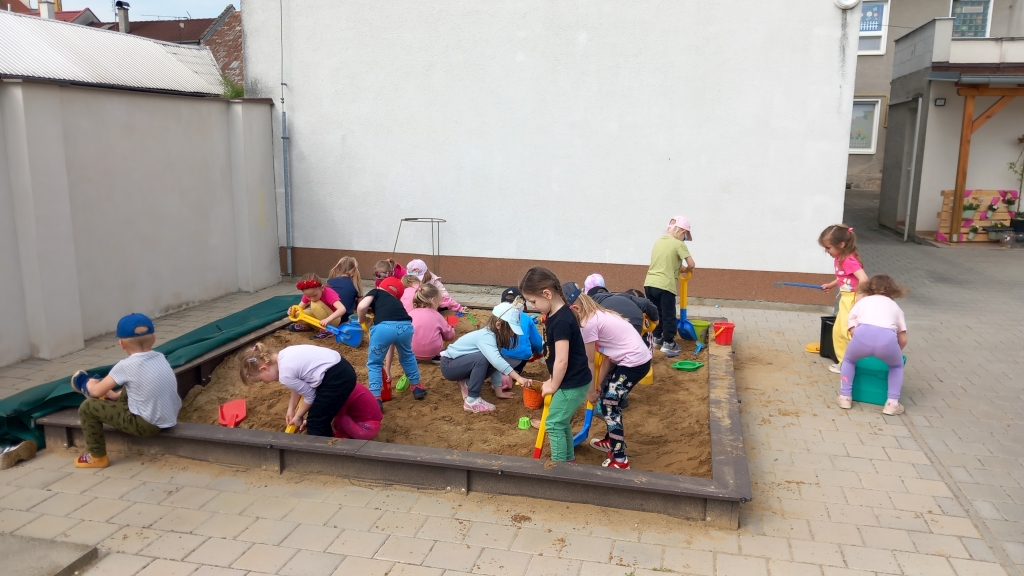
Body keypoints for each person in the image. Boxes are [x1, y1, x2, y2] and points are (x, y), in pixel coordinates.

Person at [69, 313, 181, 468]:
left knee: (87, 407)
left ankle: (97, 457)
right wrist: (114, 395)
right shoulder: (160, 357)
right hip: (169, 416)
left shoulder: (125, 366)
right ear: (154, 338)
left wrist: (90, 384)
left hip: (146, 424)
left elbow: (95, 392)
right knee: (135, 382)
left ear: (121, 344)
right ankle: (114, 398)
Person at [563, 284, 653, 470]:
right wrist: (597, 386)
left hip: (634, 363)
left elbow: (589, 362)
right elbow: (606, 358)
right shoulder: (599, 314)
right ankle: (611, 441)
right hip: (628, 360)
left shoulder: (588, 323)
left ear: (576, 309)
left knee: (610, 403)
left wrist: (590, 392)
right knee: (607, 399)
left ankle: (620, 460)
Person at [519, 267, 591, 463]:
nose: (533, 306)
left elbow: (562, 360)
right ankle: (569, 461)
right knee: (561, 422)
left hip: (572, 383)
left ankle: (559, 467)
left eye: (533, 301)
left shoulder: (562, 321)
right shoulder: (554, 315)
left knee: (553, 424)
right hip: (569, 380)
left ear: (547, 294)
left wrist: (553, 384)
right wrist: (551, 379)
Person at [238, 342, 358, 437]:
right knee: (320, 411)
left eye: (260, 380)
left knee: (315, 422)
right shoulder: (284, 354)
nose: (265, 383)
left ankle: (327, 451)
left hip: (336, 378)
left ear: (264, 368)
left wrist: (298, 416)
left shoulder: (285, 375)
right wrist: (291, 409)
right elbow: (297, 387)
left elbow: (310, 395)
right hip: (341, 367)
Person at [439, 302, 533, 411]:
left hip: (460, 364)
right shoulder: (486, 336)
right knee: (483, 358)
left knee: (491, 359)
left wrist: (499, 391)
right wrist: (518, 378)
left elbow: (496, 365)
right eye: (511, 329)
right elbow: (497, 361)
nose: (513, 334)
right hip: (449, 365)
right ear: (498, 325)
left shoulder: (495, 338)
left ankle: (467, 382)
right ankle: (472, 400)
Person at [837, 275, 908, 415]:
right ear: (893, 291)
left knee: (849, 361)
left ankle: (845, 397)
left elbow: (851, 328)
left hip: (862, 335)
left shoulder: (862, 302)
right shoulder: (896, 307)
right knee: (896, 366)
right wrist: (894, 351)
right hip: (887, 340)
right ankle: (892, 404)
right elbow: (903, 338)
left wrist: (861, 342)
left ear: (868, 289)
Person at [357, 277, 425, 403]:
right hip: (405, 326)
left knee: (375, 363)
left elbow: (362, 306)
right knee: (407, 355)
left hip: (383, 329)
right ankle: (416, 387)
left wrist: (361, 319)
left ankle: (376, 396)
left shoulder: (376, 292)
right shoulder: (396, 302)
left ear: (380, 286)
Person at [819, 225, 869, 374]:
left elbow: (864, 279)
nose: (826, 251)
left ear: (841, 244)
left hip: (852, 300)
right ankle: (844, 362)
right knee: (838, 332)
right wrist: (831, 284)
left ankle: (853, 363)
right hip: (845, 299)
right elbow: (843, 276)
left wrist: (858, 300)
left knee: (847, 332)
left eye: (828, 247)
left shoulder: (848, 260)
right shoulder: (839, 258)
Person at [643, 216, 696, 355]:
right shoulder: (679, 244)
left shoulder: (659, 241)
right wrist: (687, 270)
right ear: (682, 231)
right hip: (665, 285)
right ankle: (669, 343)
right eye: (685, 236)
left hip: (649, 283)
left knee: (656, 312)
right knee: (668, 314)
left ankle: (656, 338)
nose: (684, 239)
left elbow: (664, 262)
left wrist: (680, 269)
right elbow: (691, 264)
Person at [490, 287, 544, 391]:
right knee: (528, 345)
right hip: (518, 358)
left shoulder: (495, 317)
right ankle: (513, 373)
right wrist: (538, 352)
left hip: (497, 357)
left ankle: (501, 375)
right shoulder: (526, 318)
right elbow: (537, 343)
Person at [584, 273, 660, 335]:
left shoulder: (591, 304)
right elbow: (646, 303)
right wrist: (656, 320)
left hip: (615, 325)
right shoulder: (622, 296)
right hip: (636, 321)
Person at [289, 274, 347, 340]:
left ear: (322, 288)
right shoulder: (310, 294)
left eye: (315, 295)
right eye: (308, 296)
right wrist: (291, 311)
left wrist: (327, 319)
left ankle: (327, 331)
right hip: (320, 321)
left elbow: (342, 309)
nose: (312, 299)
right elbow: (299, 308)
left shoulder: (328, 293)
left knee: (315, 304)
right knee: (297, 314)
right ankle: (307, 326)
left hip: (332, 321)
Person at [409, 283, 456, 361]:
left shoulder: (410, 314)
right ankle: (436, 356)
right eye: (438, 302)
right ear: (433, 300)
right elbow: (449, 336)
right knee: (439, 332)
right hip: (433, 352)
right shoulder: (437, 315)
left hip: (412, 351)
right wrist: (452, 330)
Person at [327, 256, 362, 322]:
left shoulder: (330, 281)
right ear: (354, 269)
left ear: (338, 268)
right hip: (346, 318)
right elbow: (361, 306)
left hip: (329, 316)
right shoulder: (355, 284)